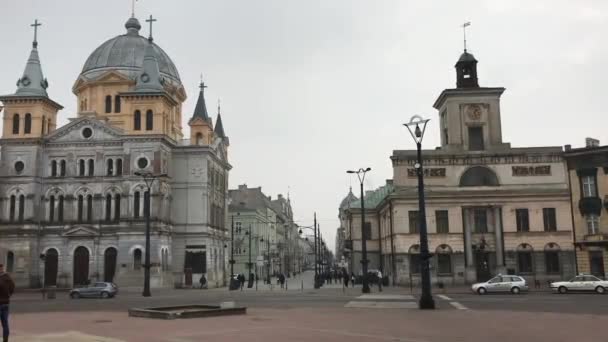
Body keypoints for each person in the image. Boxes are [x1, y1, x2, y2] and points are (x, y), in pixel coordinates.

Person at [0, 264, 15, 342]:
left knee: (5, 324)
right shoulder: (8, 277)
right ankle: (5, 340)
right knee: (5, 324)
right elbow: (12, 287)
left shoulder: (2, 278)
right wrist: (9, 295)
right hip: (6, 303)